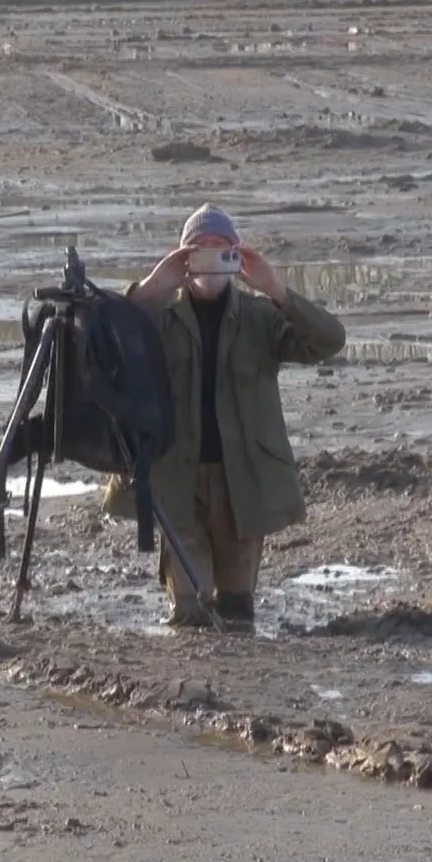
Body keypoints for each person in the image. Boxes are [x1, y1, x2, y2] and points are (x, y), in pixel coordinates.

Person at [101, 204, 347, 629]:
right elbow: (101, 344)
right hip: (175, 478)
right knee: (189, 611)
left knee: (237, 611)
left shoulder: (261, 317)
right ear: (183, 259)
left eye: (222, 250)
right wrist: (147, 290)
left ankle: (241, 688)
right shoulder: (155, 317)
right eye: (200, 250)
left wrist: (279, 293)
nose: (211, 261)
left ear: (237, 257)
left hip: (243, 482)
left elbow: (328, 341)